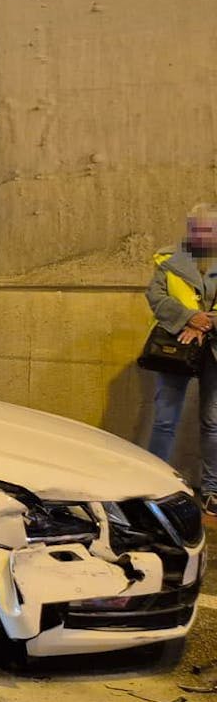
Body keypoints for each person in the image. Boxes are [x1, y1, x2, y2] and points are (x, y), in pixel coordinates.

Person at [145, 203, 217, 514]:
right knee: (164, 420)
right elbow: (156, 297)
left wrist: (209, 322)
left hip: (214, 348)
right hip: (177, 345)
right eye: (196, 228)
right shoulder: (168, 258)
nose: (202, 234)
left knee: (213, 423)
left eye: (208, 229)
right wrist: (189, 318)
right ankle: (152, 485)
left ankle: (212, 489)